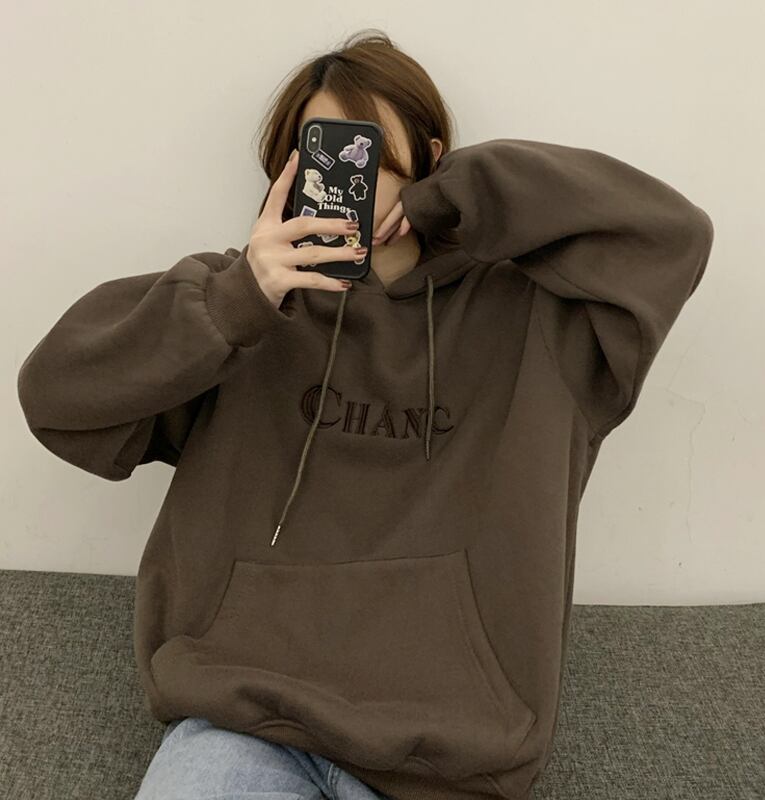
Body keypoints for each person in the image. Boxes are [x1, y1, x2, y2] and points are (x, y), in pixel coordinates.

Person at [17, 28, 714, 800]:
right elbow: (56, 400)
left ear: (430, 155)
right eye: (320, 153)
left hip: (451, 761)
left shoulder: (535, 321)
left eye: (370, 152)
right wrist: (236, 301)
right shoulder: (239, 312)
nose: (345, 178)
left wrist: (457, 198)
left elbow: (672, 237)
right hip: (243, 728)